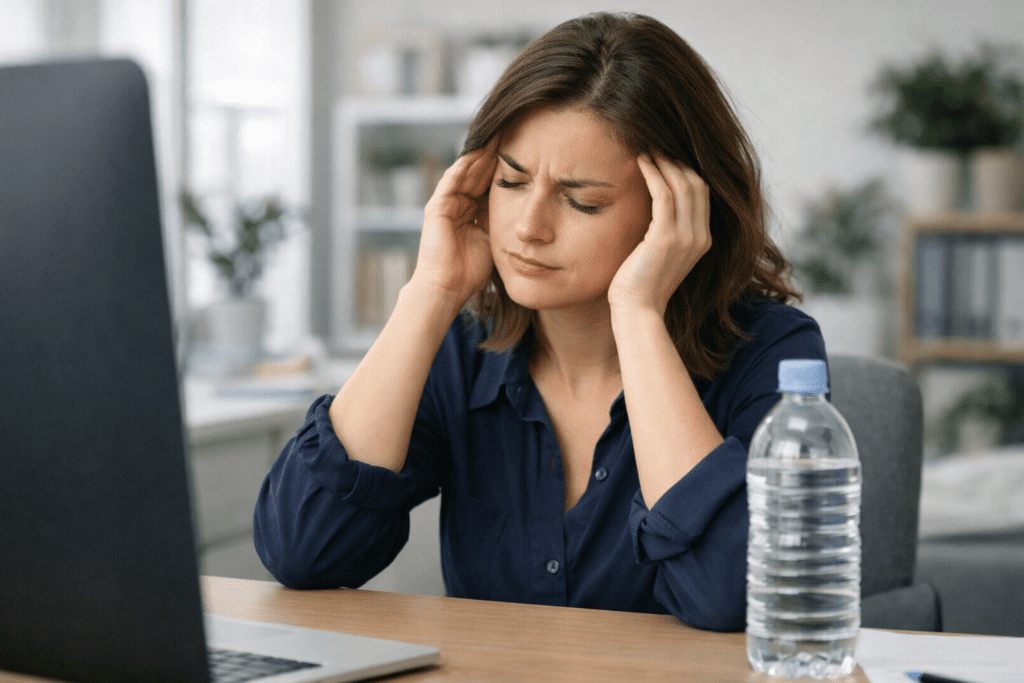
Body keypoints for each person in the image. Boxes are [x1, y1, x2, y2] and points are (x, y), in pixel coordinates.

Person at [254, 12, 825, 632]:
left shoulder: (773, 350)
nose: (528, 227)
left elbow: (730, 596)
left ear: (677, 212)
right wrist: (429, 292)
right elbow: (304, 550)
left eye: (582, 200)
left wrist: (637, 313)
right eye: (510, 180)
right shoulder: (462, 348)